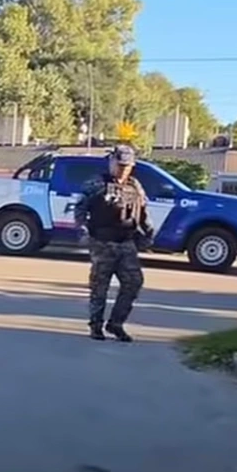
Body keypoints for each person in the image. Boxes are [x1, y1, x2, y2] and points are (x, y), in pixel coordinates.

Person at [73, 145, 154, 342]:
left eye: (127, 166)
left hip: (126, 242)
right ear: (111, 162)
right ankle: (96, 326)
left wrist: (148, 231)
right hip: (102, 242)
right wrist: (83, 229)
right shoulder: (96, 184)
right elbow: (80, 209)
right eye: (119, 165)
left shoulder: (135, 186)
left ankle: (116, 323)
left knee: (134, 282)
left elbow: (142, 212)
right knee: (100, 286)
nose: (122, 169)